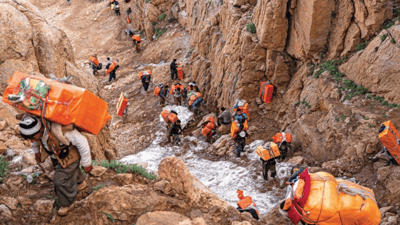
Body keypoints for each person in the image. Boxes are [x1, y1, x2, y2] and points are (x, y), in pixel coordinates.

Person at [19, 115, 92, 216]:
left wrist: (86, 163)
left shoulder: (60, 130)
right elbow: (34, 142)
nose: (31, 140)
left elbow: (82, 142)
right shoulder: (36, 133)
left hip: (70, 156)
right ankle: (80, 183)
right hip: (56, 157)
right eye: (29, 138)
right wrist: (37, 152)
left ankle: (67, 203)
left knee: (60, 180)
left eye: (32, 137)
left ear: (40, 129)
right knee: (69, 172)